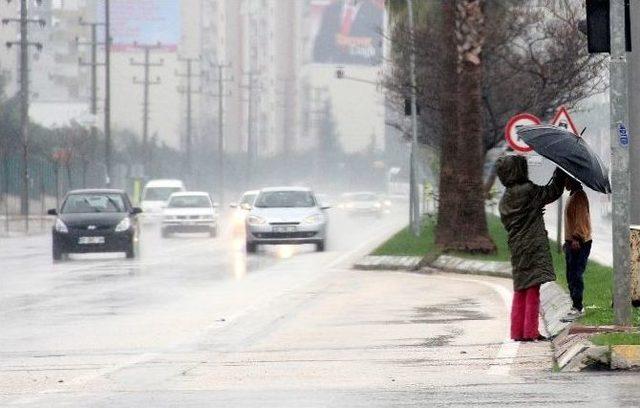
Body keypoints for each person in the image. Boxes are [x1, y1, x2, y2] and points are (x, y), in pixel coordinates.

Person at [496, 156, 567, 341]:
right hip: (532, 244)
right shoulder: (528, 190)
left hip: (517, 246)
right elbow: (551, 192)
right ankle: (531, 331)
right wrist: (559, 172)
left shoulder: (505, 198)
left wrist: (533, 211)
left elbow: (518, 218)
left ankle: (518, 331)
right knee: (533, 287)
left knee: (521, 287)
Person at [561, 177, 592, 322]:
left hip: (578, 242)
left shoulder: (579, 196)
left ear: (572, 180)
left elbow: (580, 220)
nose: (564, 183)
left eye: (566, 180)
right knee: (570, 275)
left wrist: (576, 238)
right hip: (571, 241)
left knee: (576, 274)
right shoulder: (573, 195)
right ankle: (575, 305)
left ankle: (578, 307)